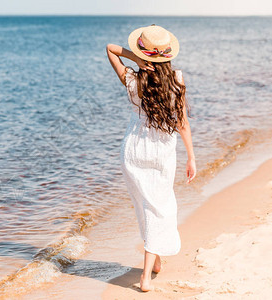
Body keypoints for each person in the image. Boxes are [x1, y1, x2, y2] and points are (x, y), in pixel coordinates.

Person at [106, 24, 196, 292]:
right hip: (160, 152)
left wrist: (138, 61)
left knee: (146, 207)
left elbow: (110, 49)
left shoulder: (133, 80)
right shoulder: (176, 79)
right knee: (160, 209)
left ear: (144, 54)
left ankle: (155, 261)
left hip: (132, 151)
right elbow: (182, 123)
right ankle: (145, 276)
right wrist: (191, 156)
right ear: (167, 55)